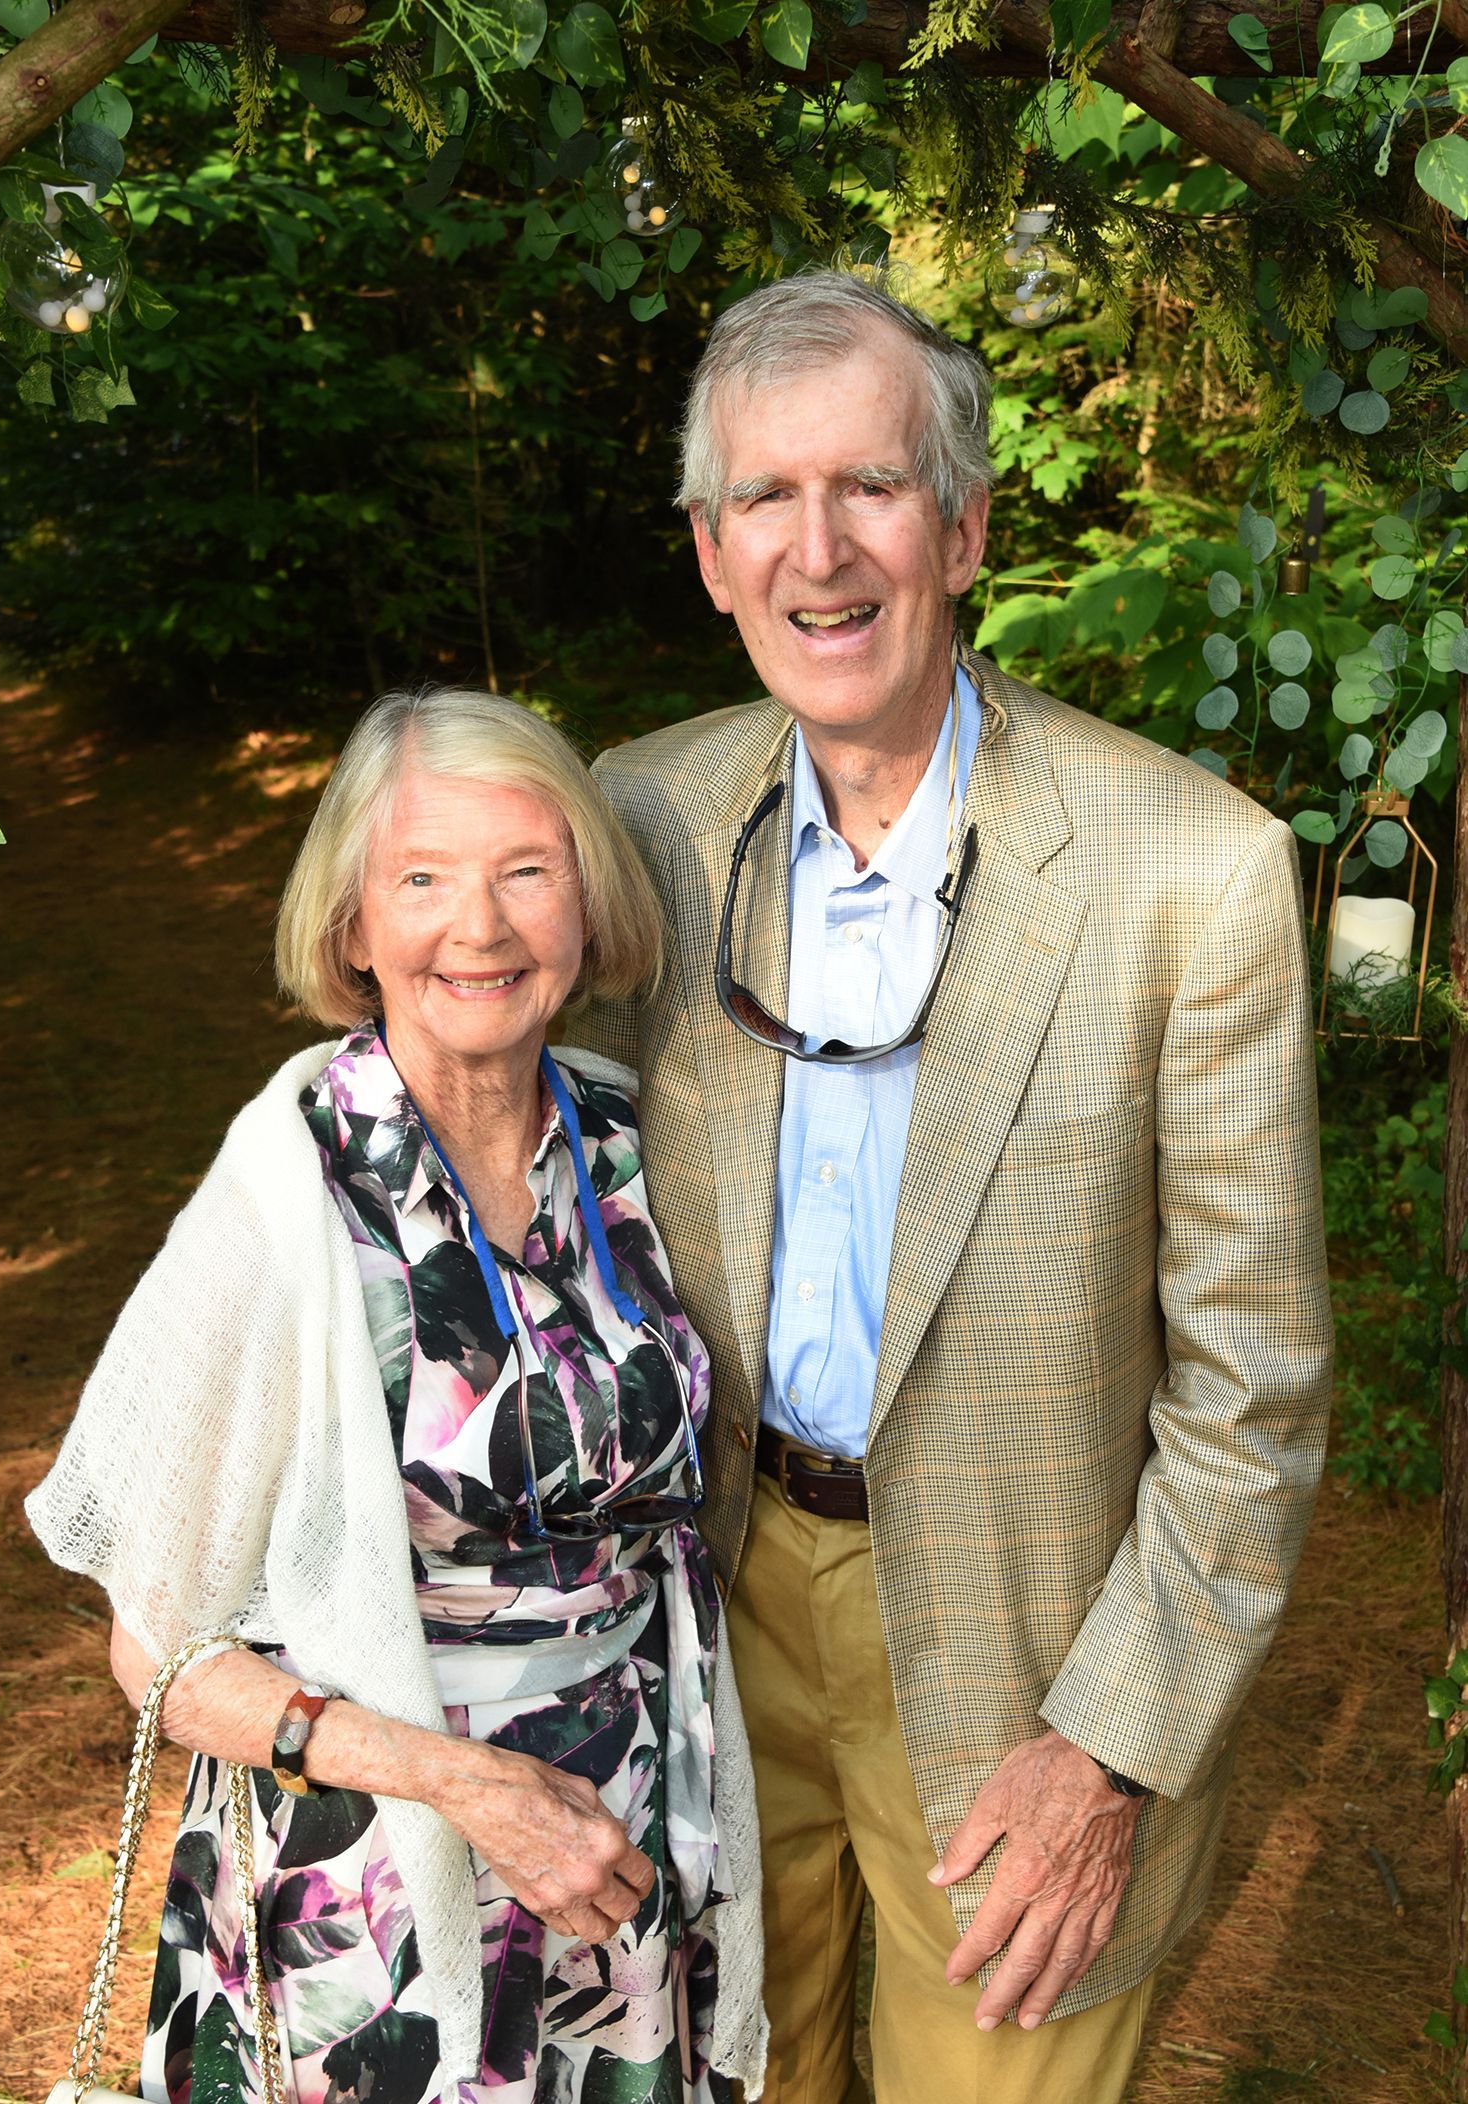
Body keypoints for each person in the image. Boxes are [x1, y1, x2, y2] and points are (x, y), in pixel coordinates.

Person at [578, 270, 1334, 2104]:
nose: (818, 550)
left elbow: (1255, 1401)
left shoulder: (1192, 873)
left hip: (1026, 1665)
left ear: (966, 525)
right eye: (764, 495)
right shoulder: (640, 827)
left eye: (871, 489)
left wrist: (1107, 1752)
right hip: (710, 1629)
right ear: (706, 548)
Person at [26, 689, 767, 2104]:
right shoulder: (284, 1191)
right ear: (353, 927)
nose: (475, 927)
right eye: (420, 879)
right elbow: (161, 1654)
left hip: (621, 1846)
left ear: (589, 906)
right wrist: (457, 1783)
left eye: (524, 871)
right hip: (366, 1886)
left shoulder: (634, 1142)